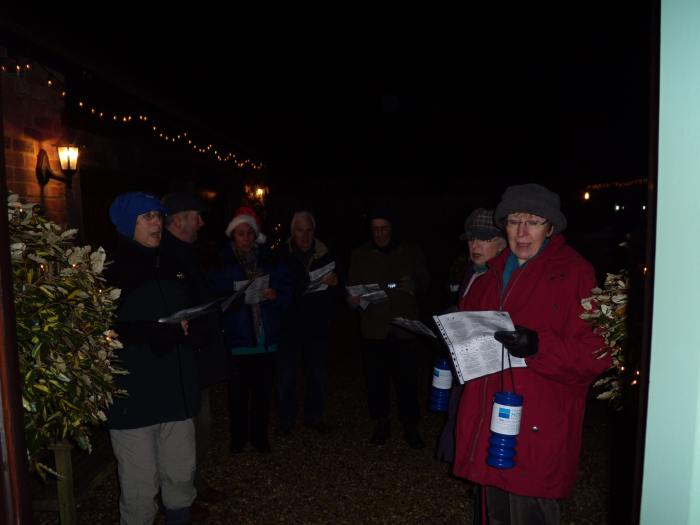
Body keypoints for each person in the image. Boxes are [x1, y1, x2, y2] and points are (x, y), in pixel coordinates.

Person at [452, 184, 612, 524]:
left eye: (534, 222)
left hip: (539, 426)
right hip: (487, 419)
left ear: (551, 227)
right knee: (491, 514)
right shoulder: (489, 275)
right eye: (513, 222)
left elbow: (597, 354)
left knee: (529, 514)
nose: (522, 233)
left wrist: (540, 346)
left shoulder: (575, 274)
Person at [105, 192, 200, 525]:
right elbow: (105, 332)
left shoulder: (173, 264)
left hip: (175, 393)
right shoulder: (110, 273)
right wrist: (155, 332)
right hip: (133, 399)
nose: (157, 223)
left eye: (158, 216)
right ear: (127, 224)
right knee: (139, 489)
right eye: (147, 217)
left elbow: (193, 311)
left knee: (181, 477)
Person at [436, 208, 507, 525]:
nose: (475, 245)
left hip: (489, 378)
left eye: (485, 239)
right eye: (471, 239)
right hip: (467, 369)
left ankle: (486, 493)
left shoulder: (501, 277)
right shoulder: (471, 271)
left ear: (503, 243)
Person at [161, 192, 227, 508]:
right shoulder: (167, 257)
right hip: (186, 359)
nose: (201, 223)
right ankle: (184, 495)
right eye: (195, 216)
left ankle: (194, 485)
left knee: (202, 427)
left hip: (198, 357)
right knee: (189, 430)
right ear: (178, 219)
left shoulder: (188, 253)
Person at [209, 206, 293, 453]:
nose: (246, 238)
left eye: (249, 233)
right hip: (238, 338)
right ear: (233, 236)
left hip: (265, 339)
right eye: (240, 234)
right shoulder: (223, 263)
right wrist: (236, 297)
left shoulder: (271, 260)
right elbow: (215, 296)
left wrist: (275, 295)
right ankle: (238, 438)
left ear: (256, 235)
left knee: (262, 393)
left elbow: (288, 291)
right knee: (237, 394)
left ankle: (259, 437)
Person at [347, 207, 431, 448]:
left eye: (384, 229)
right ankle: (381, 422)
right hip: (374, 328)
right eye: (375, 229)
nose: (380, 234)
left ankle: (410, 425)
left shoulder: (411, 251)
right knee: (376, 380)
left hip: (404, 327)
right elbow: (351, 289)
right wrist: (352, 300)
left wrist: (414, 284)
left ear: (392, 229)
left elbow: (426, 280)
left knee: (407, 380)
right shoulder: (360, 254)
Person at [276, 211, 341, 435]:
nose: (304, 235)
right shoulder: (280, 255)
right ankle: (287, 420)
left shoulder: (326, 254)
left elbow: (340, 293)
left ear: (314, 231)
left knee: (317, 373)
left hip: (316, 323)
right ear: (292, 232)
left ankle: (316, 416)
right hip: (289, 324)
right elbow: (278, 287)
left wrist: (334, 284)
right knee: (287, 375)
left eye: (308, 230)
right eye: (299, 230)